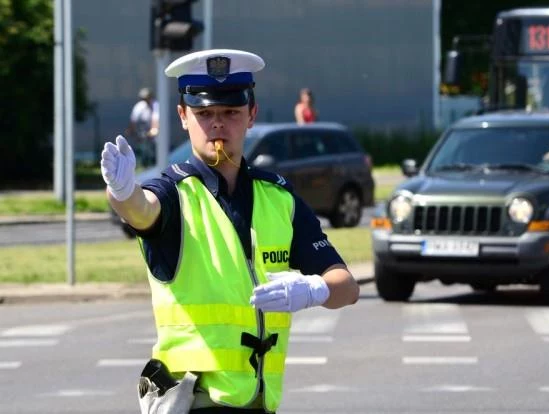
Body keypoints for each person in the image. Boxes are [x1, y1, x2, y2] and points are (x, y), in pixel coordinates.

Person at [100, 49, 359, 414]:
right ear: (183, 117)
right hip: (194, 402)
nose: (217, 125)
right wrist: (123, 192)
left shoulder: (278, 198)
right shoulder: (174, 193)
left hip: (259, 402)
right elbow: (143, 212)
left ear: (251, 115)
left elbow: (346, 287)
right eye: (204, 114)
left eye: (231, 113)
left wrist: (315, 289)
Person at [127, 87, 160, 167]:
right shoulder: (139, 106)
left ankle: (154, 162)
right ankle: (143, 163)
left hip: (155, 131)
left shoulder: (156, 105)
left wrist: (153, 130)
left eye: (147, 98)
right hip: (143, 130)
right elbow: (133, 120)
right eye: (144, 98)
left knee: (154, 148)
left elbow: (155, 120)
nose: (146, 100)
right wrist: (131, 130)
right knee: (142, 148)